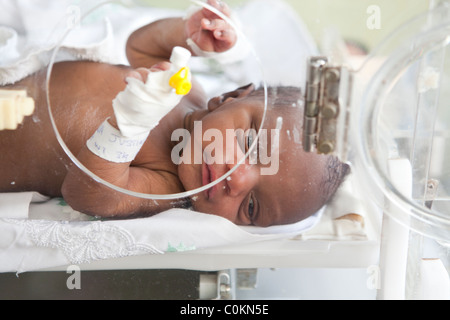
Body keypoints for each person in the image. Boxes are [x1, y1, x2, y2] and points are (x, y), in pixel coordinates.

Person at [0, 0, 348, 227]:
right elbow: (141, 45)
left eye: (252, 207)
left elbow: (89, 194)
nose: (238, 180)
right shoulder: (188, 91)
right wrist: (189, 36)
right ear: (227, 98)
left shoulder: (166, 185)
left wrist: (129, 127)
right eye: (250, 144)